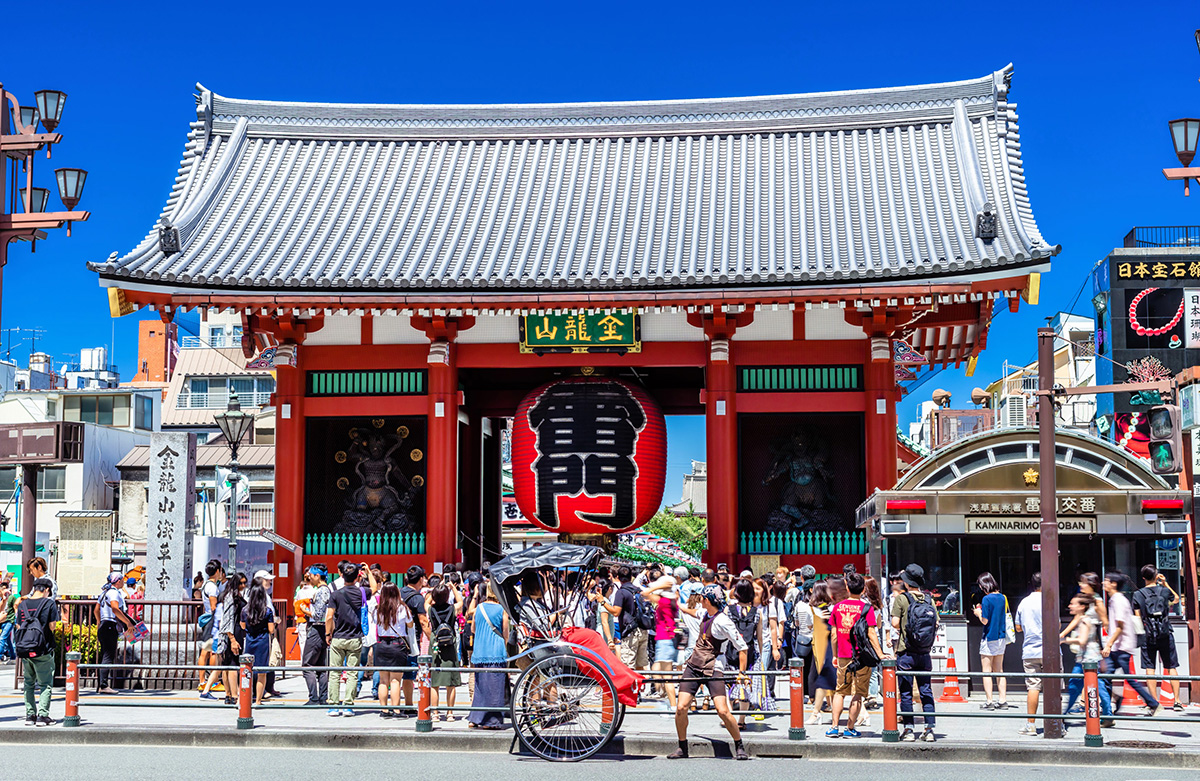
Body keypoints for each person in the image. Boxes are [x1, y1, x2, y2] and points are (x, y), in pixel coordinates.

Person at [668, 585, 750, 760]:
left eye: (702, 598)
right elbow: (689, 610)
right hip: (694, 663)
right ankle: (682, 746)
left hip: (714, 665)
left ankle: (739, 745)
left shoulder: (723, 621)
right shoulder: (704, 613)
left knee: (722, 710)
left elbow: (742, 648)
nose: (699, 600)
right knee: (681, 707)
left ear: (708, 600)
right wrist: (675, 600)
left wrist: (742, 673)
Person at [827, 572, 883, 738]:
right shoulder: (867, 608)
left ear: (846, 587)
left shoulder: (838, 607)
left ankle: (834, 727)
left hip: (843, 655)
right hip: (862, 657)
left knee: (840, 691)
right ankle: (850, 728)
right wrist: (880, 653)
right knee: (858, 693)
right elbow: (871, 632)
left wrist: (835, 654)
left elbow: (834, 634)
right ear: (863, 588)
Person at [1102, 570, 1160, 717]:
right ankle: (1110, 707)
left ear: (1113, 584)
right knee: (1106, 677)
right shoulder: (1115, 599)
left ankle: (1152, 703)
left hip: (1122, 647)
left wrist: (1108, 644)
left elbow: (1120, 626)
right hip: (1119, 646)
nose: (1104, 583)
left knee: (1123, 679)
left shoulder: (1118, 600)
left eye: (1106, 580)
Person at [892, 564, 937, 742]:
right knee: (926, 690)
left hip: (906, 651)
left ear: (906, 582)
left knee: (906, 693)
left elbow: (895, 623)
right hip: (924, 653)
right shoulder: (929, 599)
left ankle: (909, 730)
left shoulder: (902, 599)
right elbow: (935, 623)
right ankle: (930, 729)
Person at [1133, 564, 1183, 712]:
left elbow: (1137, 618)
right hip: (1165, 633)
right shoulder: (1164, 591)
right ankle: (1177, 701)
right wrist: (1165, 583)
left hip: (1148, 634)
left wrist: (1140, 635)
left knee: (1150, 668)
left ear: (1143, 578)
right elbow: (1176, 600)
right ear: (1156, 576)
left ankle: (1154, 702)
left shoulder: (1138, 595)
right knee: (1171, 666)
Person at [1061, 594, 1112, 725]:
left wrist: (1065, 640)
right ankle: (1108, 715)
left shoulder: (1084, 620)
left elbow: (1082, 640)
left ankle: (1063, 715)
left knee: (1075, 686)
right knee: (1096, 686)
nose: (1070, 606)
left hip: (1087, 660)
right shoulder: (1085, 619)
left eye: (1073, 604)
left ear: (1082, 607)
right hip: (1090, 658)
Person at [15, 578, 60, 726]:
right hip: (43, 649)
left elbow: (18, 625)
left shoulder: (22, 605)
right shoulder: (49, 603)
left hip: (25, 650)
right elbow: (52, 626)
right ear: (47, 590)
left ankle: (30, 715)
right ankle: (42, 716)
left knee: (28, 683)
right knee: (45, 684)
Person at [325, 561, 365, 716]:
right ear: (356, 577)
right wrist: (367, 572)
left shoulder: (335, 594)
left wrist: (328, 634)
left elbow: (329, 617)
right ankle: (348, 705)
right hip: (355, 637)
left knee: (334, 672)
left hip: (338, 637)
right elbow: (375, 588)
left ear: (341, 575)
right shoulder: (361, 592)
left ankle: (334, 706)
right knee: (352, 673)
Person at [468, 581, 510, 729]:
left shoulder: (479, 608)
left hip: (480, 650)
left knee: (480, 687)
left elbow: (473, 629)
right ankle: (491, 721)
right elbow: (506, 632)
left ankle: (475, 718)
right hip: (495, 651)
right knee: (494, 687)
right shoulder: (501, 609)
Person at [371, 581, 412, 718]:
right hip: (397, 645)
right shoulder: (402, 608)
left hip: (381, 644)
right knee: (395, 680)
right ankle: (396, 710)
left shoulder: (378, 609)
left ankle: (383, 710)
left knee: (383, 680)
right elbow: (410, 624)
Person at [644, 569, 682, 708]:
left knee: (667, 677)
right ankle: (667, 700)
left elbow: (644, 593)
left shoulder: (664, 600)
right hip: (669, 638)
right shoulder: (673, 599)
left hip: (664, 638)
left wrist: (658, 586)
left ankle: (673, 706)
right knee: (663, 673)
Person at [600, 566, 649, 672]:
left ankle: (631, 688)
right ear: (631, 577)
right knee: (640, 665)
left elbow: (616, 612)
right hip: (643, 629)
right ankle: (641, 687)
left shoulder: (621, 592)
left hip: (630, 632)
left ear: (618, 577)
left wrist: (602, 602)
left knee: (628, 665)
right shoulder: (638, 590)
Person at [972, 571, 1009, 710]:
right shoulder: (1002, 597)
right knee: (999, 670)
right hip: (1001, 637)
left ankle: (989, 702)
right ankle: (1003, 700)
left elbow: (985, 621)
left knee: (986, 671)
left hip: (989, 638)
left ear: (984, 585)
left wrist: (978, 613)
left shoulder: (986, 599)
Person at [428, 582, 464, 720]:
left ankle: (435, 713)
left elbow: (427, 602)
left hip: (436, 644)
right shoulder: (452, 608)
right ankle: (450, 713)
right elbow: (460, 601)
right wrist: (453, 588)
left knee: (435, 682)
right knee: (451, 682)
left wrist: (434, 590)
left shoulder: (430, 609)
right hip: (449, 643)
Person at [1013, 572, 1044, 735]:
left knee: (1033, 686)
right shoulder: (1050, 599)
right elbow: (1057, 624)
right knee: (1054, 687)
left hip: (1030, 650)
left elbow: (1018, 627)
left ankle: (1031, 725)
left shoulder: (1024, 602)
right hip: (1050, 650)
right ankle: (1056, 723)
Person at [240, 577, 276, 707]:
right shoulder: (267, 611)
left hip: (249, 640)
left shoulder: (245, 610)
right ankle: (258, 700)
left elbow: (242, 626)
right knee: (262, 672)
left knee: (247, 671)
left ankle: (245, 697)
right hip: (263, 642)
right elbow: (271, 629)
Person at [96, 572, 134, 694]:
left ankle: (101, 683)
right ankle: (103, 685)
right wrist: (128, 622)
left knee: (104, 655)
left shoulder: (104, 592)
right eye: (122, 579)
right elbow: (115, 608)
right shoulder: (113, 592)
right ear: (118, 581)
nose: (123, 582)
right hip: (110, 626)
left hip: (103, 625)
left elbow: (96, 610)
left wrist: (99, 622)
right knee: (108, 655)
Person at [400, 565, 431, 713]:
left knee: (394, 675)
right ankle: (408, 704)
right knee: (409, 673)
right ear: (420, 579)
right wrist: (433, 638)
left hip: (396, 637)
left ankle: (391, 707)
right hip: (410, 640)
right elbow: (424, 622)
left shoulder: (399, 593)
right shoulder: (417, 598)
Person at [806, 581, 838, 725]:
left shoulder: (812, 609)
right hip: (834, 647)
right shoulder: (832, 609)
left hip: (821, 647)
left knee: (825, 678)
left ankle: (817, 713)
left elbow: (808, 625)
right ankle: (820, 711)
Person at [302, 565, 332, 706]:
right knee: (321, 666)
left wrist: (304, 611)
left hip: (317, 629)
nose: (310, 578)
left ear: (317, 576)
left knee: (307, 664)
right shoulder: (328, 590)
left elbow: (318, 615)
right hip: (324, 630)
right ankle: (323, 697)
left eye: (312, 575)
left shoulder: (321, 591)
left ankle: (314, 697)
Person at [0, 578, 16, 662]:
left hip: (10, 620)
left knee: (2, 638)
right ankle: (13, 655)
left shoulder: (12, 597)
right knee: (7, 639)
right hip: (2, 621)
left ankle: (0, 655)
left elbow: (15, 608)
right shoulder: (1, 598)